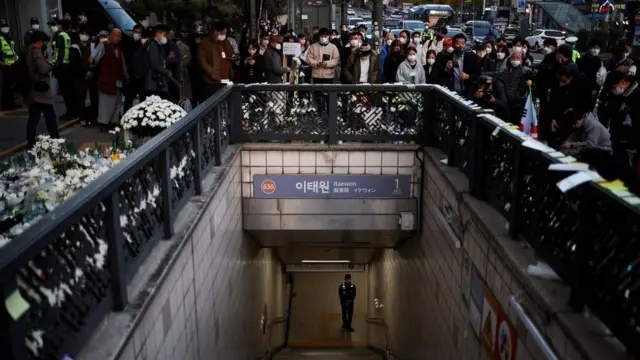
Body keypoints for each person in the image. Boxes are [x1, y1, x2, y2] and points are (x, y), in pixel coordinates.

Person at [25, 30, 59, 147]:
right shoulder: (36, 52)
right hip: (40, 90)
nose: (45, 44)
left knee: (33, 118)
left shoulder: (28, 51)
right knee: (50, 116)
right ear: (39, 42)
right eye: (44, 42)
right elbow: (43, 68)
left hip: (32, 89)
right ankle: (55, 140)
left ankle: (30, 142)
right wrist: (50, 64)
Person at [198, 22, 235, 98]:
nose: (223, 35)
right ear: (215, 32)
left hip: (226, 79)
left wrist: (225, 42)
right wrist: (212, 73)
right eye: (222, 33)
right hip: (212, 80)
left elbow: (230, 53)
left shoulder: (223, 42)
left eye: (225, 33)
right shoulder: (205, 43)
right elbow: (202, 61)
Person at [0, 18, 18, 110]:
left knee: (11, 86)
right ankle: (6, 105)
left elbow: (13, 51)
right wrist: (1, 62)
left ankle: (11, 103)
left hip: (12, 65)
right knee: (6, 87)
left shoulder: (9, 39)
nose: (5, 28)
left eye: (6, 26)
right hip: (5, 66)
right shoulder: (1, 39)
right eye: (3, 26)